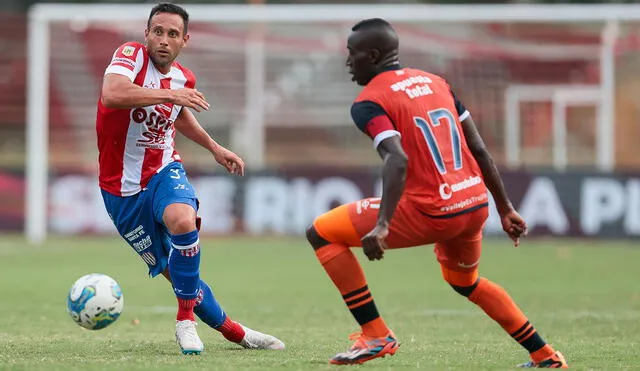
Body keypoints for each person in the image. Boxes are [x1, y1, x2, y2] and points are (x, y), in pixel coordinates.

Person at [305, 18, 567, 368]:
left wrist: (383, 224)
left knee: (321, 232)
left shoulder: (368, 102)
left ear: (373, 54)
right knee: (466, 282)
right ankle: (546, 356)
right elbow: (479, 147)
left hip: (432, 210)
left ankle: (375, 334)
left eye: (352, 54)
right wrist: (505, 208)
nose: (348, 62)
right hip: (473, 204)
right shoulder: (436, 82)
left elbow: (396, 159)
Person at [96, 2, 284, 355]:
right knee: (177, 273)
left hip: (164, 168)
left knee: (183, 220)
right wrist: (170, 94)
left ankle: (185, 322)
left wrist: (214, 147)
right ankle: (234, 331)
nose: (163, 40)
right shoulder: (130, 56)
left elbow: (178, 115)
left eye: (172, 34)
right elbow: (113, 94)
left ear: (185, 40)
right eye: (157, 31)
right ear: (146, 34)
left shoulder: (184, 78)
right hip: (120, 189)